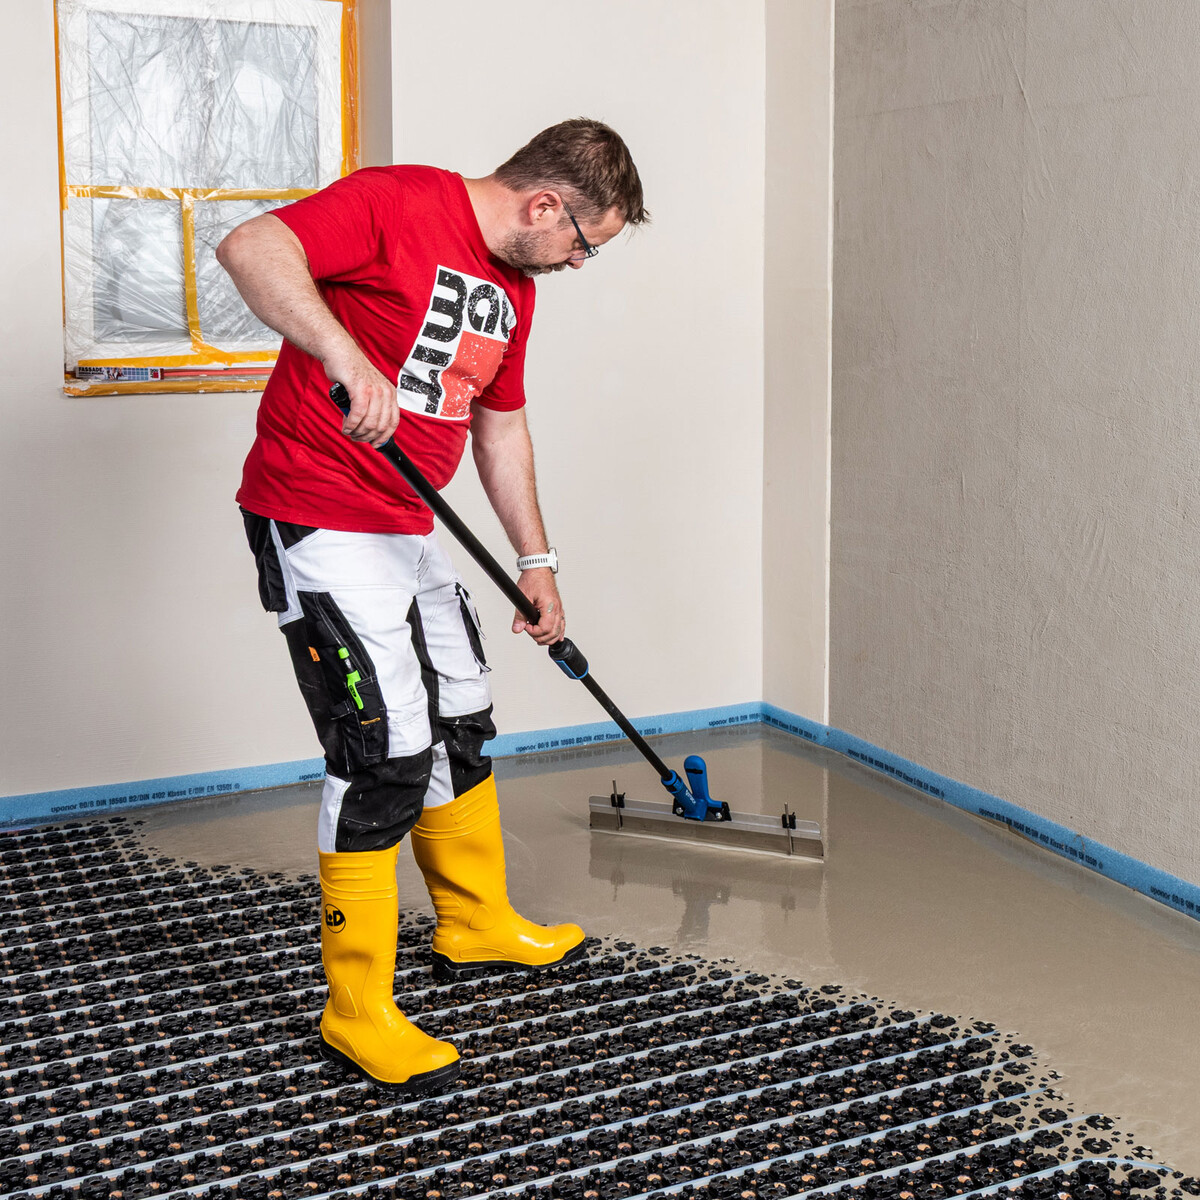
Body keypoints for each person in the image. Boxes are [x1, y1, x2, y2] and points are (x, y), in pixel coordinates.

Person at [217, 118, 648, 1093]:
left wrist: (536, 561)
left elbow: (502, 430)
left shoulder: (515, 288)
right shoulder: (399, 202)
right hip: (318, 512)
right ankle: (355, 1008)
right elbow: (251, 245)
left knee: (461, 716)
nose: (578, 263)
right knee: (383, 751)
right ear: (546, 205)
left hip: (406, 523)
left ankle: (476, 922)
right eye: (584, 243)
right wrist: (343, 354)